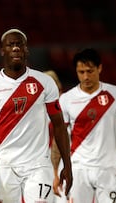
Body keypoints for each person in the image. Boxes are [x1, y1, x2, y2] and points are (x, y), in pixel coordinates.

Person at [0, 28, 72, 203]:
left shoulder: (45, 83)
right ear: (2, 50)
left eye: (19, 45)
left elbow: (60, 126)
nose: (16, 48)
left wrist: (67, 165)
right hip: (4, 166)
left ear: (26, 49)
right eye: (11, 45)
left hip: (38, 165)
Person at [52, 48, 116, 203]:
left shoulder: (115, 93)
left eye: (90, 71)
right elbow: (60, 137)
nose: (85, 76)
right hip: (78, 169)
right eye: (81, 72)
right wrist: (55, 172)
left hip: (109, 169)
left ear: (100, 68)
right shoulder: (67, 99)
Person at [43, 70, 66, 203]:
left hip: (63, 159)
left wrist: (56, 170)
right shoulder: (38, 108)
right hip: (41, 161)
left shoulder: (65, 104)